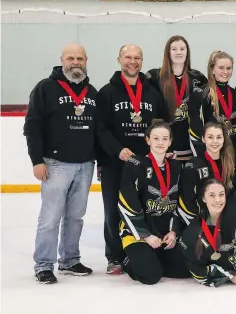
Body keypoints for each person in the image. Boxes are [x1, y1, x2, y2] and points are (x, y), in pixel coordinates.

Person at [24, 43, 97, 284]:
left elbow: (99, 130)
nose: (75, 62)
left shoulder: (92, 92)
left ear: (86, 61)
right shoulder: (45, 88)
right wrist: (37, 161)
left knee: (76, 217)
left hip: (85, 164)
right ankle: (44, 264)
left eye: (80, 58)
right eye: (70, 58)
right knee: (51, 217)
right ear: (62, 60)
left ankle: (69, 260)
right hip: (55, 164)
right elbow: (32, 126)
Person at [96, 44, 168, 275]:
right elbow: (100, 129)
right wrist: (117, 150)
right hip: (115, 163)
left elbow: (162, 124)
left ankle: (136, 252)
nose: (132, 61)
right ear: (119, 59)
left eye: (137, 57)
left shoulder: (152, 93)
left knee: (141, 209)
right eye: (128, 57)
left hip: (146, 165)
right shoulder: (106, 92)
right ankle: (115, 257)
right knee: (113, 211)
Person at [118, 119, 189, 285]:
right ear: (148, 140)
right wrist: (146, 235)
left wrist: (173, 232)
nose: (160, 142)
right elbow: (126, 202)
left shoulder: (177, 167)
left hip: (163, 234)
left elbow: (178, 204)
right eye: (156, 138)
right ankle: (130, 260)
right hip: (138, 234)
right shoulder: (135, 165)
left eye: (165, 139)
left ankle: (152, 258)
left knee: (186, 269)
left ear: (170, 142)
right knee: (151, 276)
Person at [146, 35, 208, 162]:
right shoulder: (154, 77)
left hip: (191, 147)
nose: (178, 52)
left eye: (182, 49)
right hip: (163, 149)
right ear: (168, 52)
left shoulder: (198, 78)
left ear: (187, 52)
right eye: (174, 49)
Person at [188, 50, 236, 156]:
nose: (225, 72)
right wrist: (203, 158)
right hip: (212, 155)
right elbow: (195, 133)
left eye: (228, 68)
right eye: (221, 68)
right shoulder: (202, 94)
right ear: (212, 69)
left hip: (234, 155)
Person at [178, 121, 236, 226]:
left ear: (223, 139)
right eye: (210, 137)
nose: (215, 141)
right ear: (203, 139)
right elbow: (186, 202)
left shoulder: (230, 162)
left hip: (227, 216)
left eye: (218, 137)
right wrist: (197, 226)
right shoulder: (193, 165)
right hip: (203, 220)